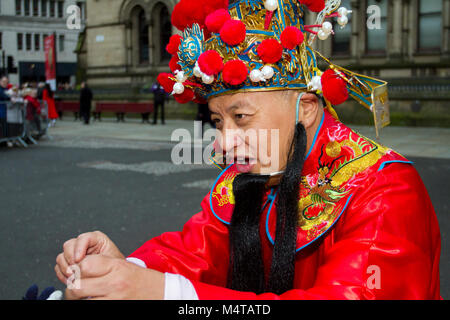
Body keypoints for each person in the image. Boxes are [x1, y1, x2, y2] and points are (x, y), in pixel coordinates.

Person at [55, 0, 441, 300]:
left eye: (241, 117)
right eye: (219, 121)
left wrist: (160, 292)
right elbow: (198, 247)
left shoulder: (384, 190)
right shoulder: (251, 173)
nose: (224, 143)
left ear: (304, 108)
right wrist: (123, 267)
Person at [0, 76, 11, 142]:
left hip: (4, 112)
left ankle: (5, 140)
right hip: (1, 112)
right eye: (4, 82)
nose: (5, 83)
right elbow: (5, 96)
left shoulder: (6, 89)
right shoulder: (1, 90)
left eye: (6, 82)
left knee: (4, 126)